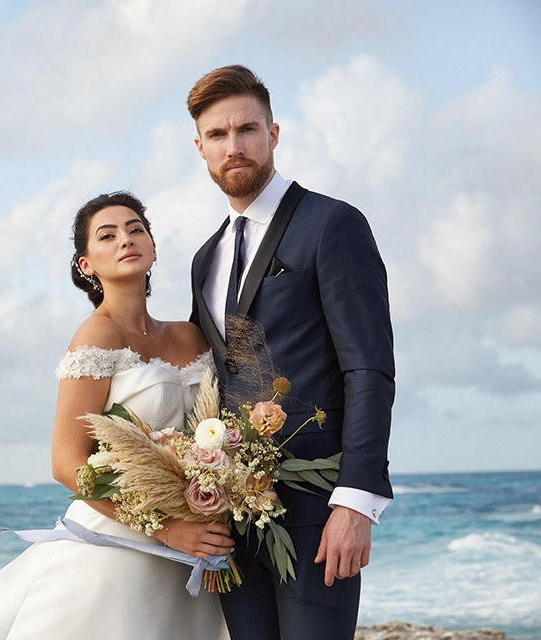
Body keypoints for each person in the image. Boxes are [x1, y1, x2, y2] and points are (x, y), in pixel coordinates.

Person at [0, 192, 231, 639]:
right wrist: (166, 528)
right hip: (122, 544)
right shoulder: (96, 336)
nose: (125, 240)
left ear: (154, 248)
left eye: (136, 229)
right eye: (107, 235)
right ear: (86, 264)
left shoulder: (190, 336)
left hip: (194, 548)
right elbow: (65, 463)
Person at [186, 65, 395, 640]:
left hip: (318, 510)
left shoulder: (333, 225)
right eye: (218, 135)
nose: (235, 146)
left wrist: (357, 501)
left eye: (248, 129)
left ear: (273, 134)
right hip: (229, 515)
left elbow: (369, 369)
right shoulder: (204, 259)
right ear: (199, 146)